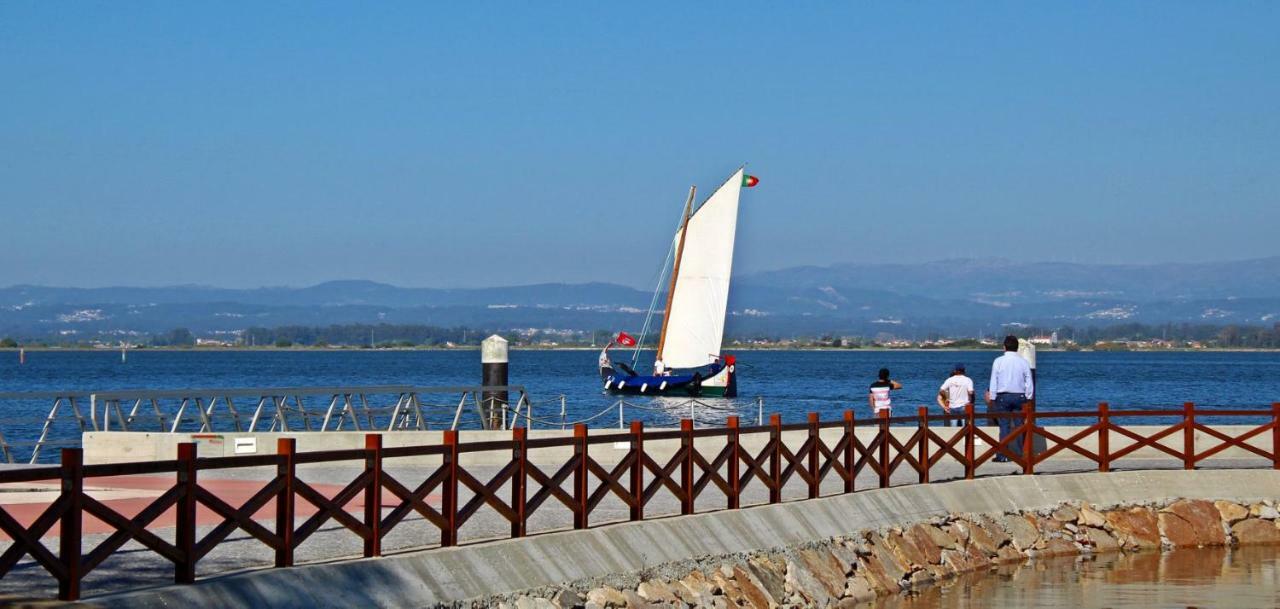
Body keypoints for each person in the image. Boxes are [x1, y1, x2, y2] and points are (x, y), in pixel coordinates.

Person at [985, 335, 1034, 462]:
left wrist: (992, 397)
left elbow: (993, 381)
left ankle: (1003, 455)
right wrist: (1029, 397)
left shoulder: (998, 361)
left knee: (1004, 426)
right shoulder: (1023, 362)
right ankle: (1020, 454)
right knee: (1020, 426)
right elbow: (1029, 381)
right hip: (1019, 396)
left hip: (1003, 396)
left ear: (1004, 347)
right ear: (1017, 348)